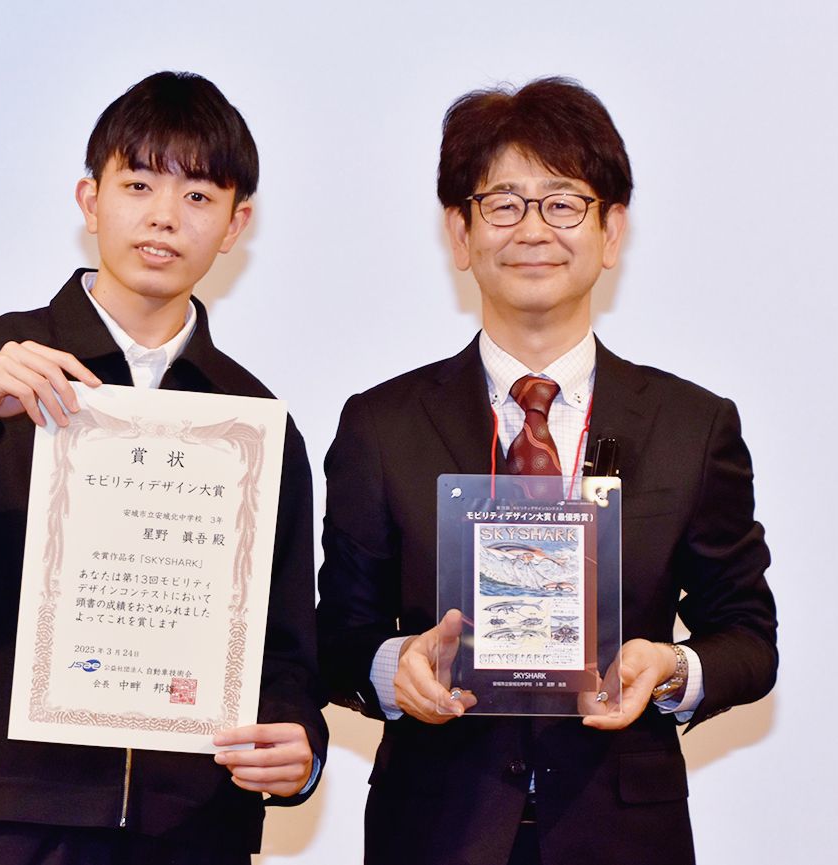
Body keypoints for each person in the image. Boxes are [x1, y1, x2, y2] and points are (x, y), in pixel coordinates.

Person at [0, 71, 326, 865]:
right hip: (20, 816)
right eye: (138, 184)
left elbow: (283, 648)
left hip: (195, 827)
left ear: (234, 224)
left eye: (198, 195)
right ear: (90, 200)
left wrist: (300, 748)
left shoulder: (252, 419)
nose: (163, 216)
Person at [316, 77, 777, 865]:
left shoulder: (692, 426)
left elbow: (749, 636)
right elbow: (335, 636)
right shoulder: (381, 425)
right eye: (503, 204)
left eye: (563, 203)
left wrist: (671, 668)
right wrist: (396, 670)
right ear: (460, 234)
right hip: (434, 832)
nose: (533, 228)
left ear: (611, 231)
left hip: (625, 835)